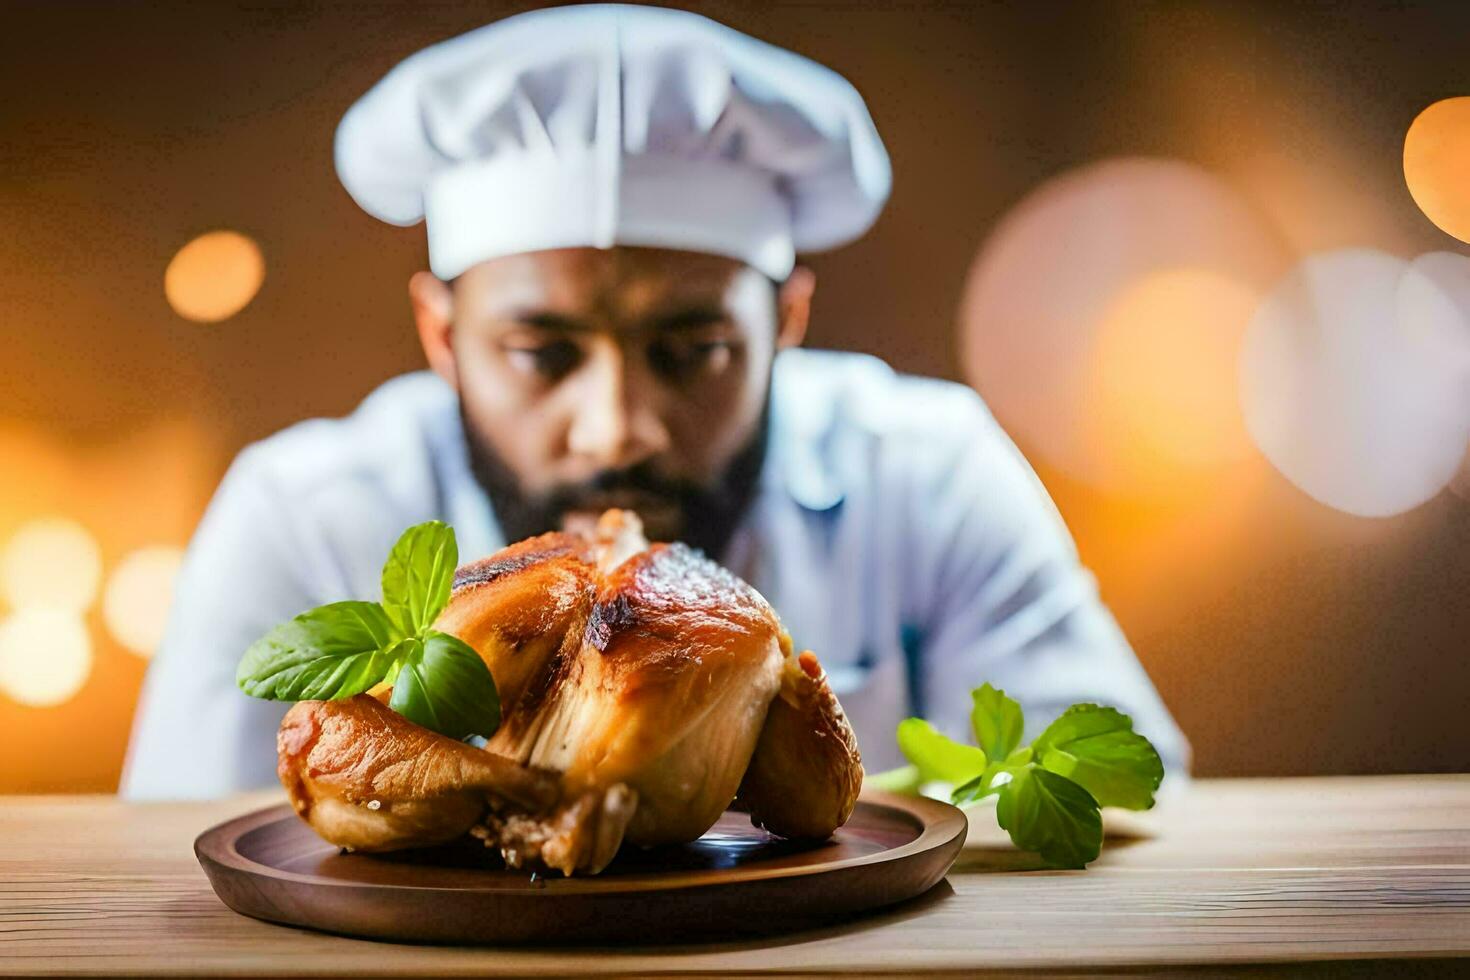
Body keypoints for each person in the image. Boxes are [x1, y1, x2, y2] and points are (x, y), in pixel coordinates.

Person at [122, 3, 1187, 799]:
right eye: (543, 353)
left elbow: (1120, 802)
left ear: (788, 323)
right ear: (443, 337)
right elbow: (181, 858)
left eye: (694, 350)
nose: (619, 424)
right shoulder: (298, 512)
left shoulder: (932, 471)